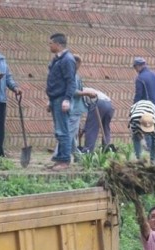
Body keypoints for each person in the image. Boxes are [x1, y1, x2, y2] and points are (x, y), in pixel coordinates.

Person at [46, 33, 77, 171]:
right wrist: (50, 100)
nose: (49, 45)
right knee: (59, 131)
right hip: (55, 99)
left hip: (61, 99)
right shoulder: (57, 60)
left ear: (58, 44)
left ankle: (64, 161)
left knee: (63, 131)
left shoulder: (67, 60)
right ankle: (59, 159)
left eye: (51, 43)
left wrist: (67, 99)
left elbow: (71, 82)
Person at [133, 57, 155, 160]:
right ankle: (153, 159)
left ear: (138, 66)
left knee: (137, 133)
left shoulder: (140, 78)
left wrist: (134, 109)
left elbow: (138, 96)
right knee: (153, 133)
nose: (135, 70)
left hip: (145, 109)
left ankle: (139, 158)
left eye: (135, 67)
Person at [129, 100, 155, 164]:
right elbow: (134, 131)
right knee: (135, 137)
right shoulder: (134, 120)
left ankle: (152, 160)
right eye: (145, 129)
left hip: (152, 107)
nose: (146, 132)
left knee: (154, 139)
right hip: (137, 107)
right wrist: (142, 139)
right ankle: (138, 159)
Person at [81, 88, 115, 153]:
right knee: (106, 129)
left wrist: (83, 129)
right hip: (109, 105)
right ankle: (106, 150)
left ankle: (88, 152)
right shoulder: (87, 89)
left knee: (91, 129)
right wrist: (84, 128)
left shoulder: (80, 91)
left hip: (98, 103)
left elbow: (89, 120)